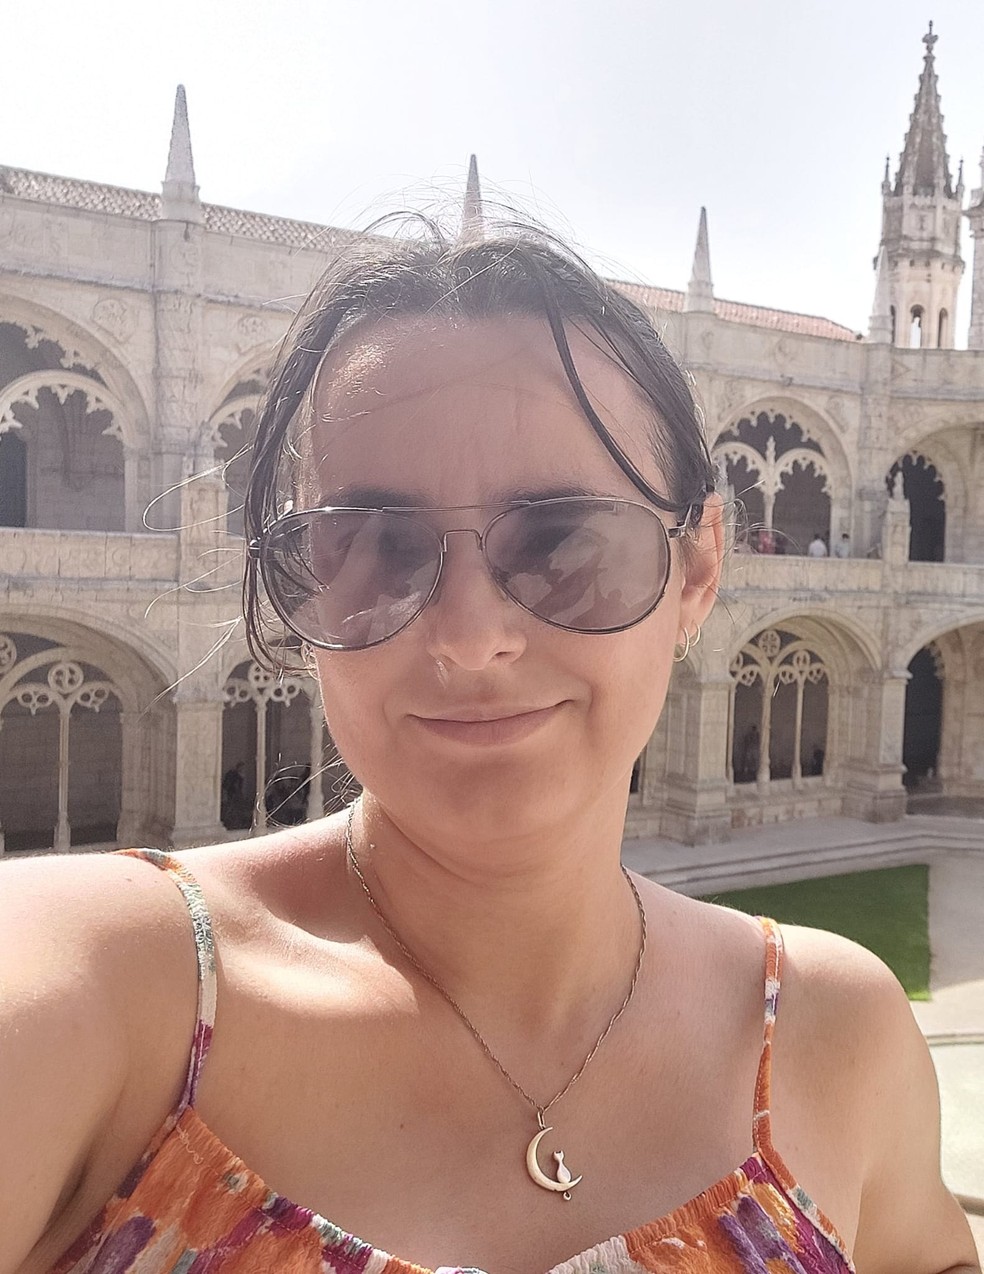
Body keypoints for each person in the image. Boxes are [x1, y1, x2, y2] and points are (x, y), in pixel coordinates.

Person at [1, 219, 978, 1274]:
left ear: (698, 569)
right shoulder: (97, 992)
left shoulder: (839, 1034)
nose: (471, 638)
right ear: (296, 581)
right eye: (374, 545)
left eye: (563, 541)